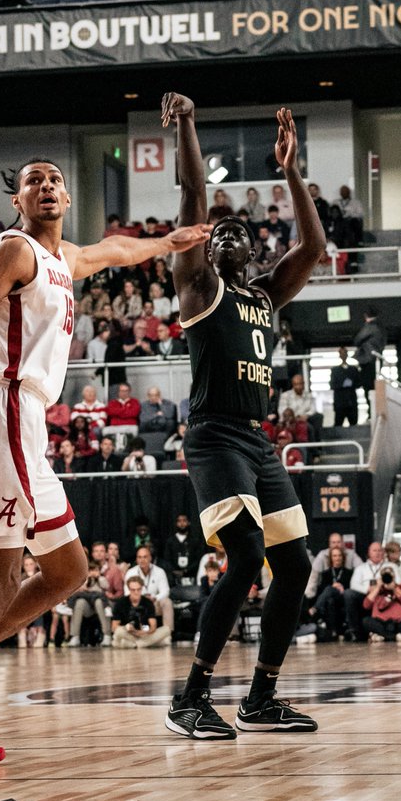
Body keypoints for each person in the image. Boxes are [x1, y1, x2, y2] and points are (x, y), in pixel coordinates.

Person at [0, 154, 211, 768]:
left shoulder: (64, 259)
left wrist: (168, 241)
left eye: (55, 179)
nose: (48, 186)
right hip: (1, 406)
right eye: (35, 181)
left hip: (22, 421)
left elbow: (113, 251)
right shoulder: (13, 251)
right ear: (18, 201)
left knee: (67, 572)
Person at [160, 91, 324, 738]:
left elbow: (312, 244)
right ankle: (190, 697)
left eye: (239, 234)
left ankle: (261, 697)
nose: (227, 235)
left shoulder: (265, 294)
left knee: (296, 565)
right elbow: (195, 200)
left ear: (252, 254)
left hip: (257, 441)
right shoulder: (200, 288)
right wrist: (193, 124)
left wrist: (290, 170)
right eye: (218, 233)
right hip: (214, 437)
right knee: (247, 556)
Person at [361, 567, 401, 642]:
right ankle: (396, 637)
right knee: (366, 621)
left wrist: (394, 589)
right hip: (380, 622)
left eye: (390, 576)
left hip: (399, 622)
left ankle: (383, 636)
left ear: (394, 577)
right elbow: (366, 605)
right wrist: (377, 587)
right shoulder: (376, 589)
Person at [353, 308, 385, 415]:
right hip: (374, 361)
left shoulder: (371, 327)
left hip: (369, 362)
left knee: (369, 388)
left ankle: (372, 412)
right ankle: (372, 411)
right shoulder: (380, 328)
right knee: (371, 388)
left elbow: (357, 339)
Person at [329, 347, 361, 426]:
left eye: (345, 353)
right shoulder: (335, 370)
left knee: (354, 424)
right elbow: (332, 385)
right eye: (341, 354)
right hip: (340, 402)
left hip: (351, 401)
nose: (343, 355)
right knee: (338, 424)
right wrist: (342, 384)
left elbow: (359, 383)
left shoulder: (353, 369)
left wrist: (352, 384)